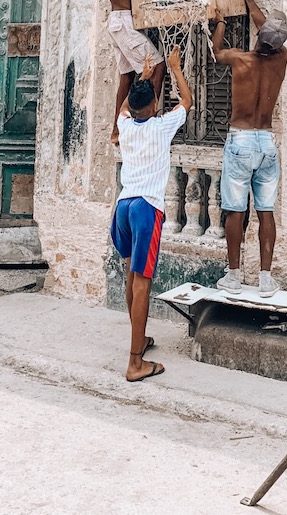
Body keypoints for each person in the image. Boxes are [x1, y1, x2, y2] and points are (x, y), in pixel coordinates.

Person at [111, 47, 191, 381]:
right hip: (146, 208)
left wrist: (142, 78)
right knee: (142, 283)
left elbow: (125, 107)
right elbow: (187, 101)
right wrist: (175, 68)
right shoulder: (162, 127)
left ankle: (139, 338)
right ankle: (135, 362)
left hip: (124, 206)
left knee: (131, 277)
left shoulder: (125, 125)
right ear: (155, 105)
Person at [211, 0, 287, 298]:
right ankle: (265, 279)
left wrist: (219, 23)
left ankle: (233, 276)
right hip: (266, 143)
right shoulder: (281, 59)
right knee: (266, 211)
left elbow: (216, 51)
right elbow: (267, 31)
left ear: (258, 37)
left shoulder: (240, 60)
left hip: (240, 141)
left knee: (236, 210)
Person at [89, 0, 167, 143]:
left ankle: (116, 130)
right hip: (123, 23)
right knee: (158, 67)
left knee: (127, 77)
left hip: (117, 23)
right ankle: (147, 121)